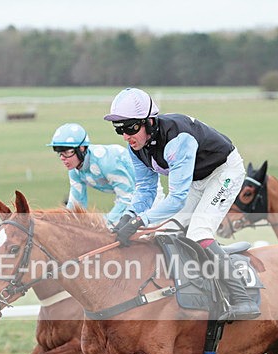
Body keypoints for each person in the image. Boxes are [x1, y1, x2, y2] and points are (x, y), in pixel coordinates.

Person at [103, 87, 260, 321]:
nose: (126, 135)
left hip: (223, 172)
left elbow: (176, 199)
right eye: (120, 130)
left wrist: (140, 221)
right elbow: (145, 191)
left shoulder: (178, 138)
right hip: (195, 180)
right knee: (164, 232)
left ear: (149, 121)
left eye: (131, 128)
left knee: (198, 231)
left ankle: (242, 299)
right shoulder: (135, 148)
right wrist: (129, 216)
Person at [47, 123, 136, 228]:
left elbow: (127, 198)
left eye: (67, 152)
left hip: (146, 190)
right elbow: (76, 206)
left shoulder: (106, 162)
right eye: (60, 153)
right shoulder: (74, 170)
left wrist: (104, 223)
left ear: (81, 148)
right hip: (128, 195)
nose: (63, 158)